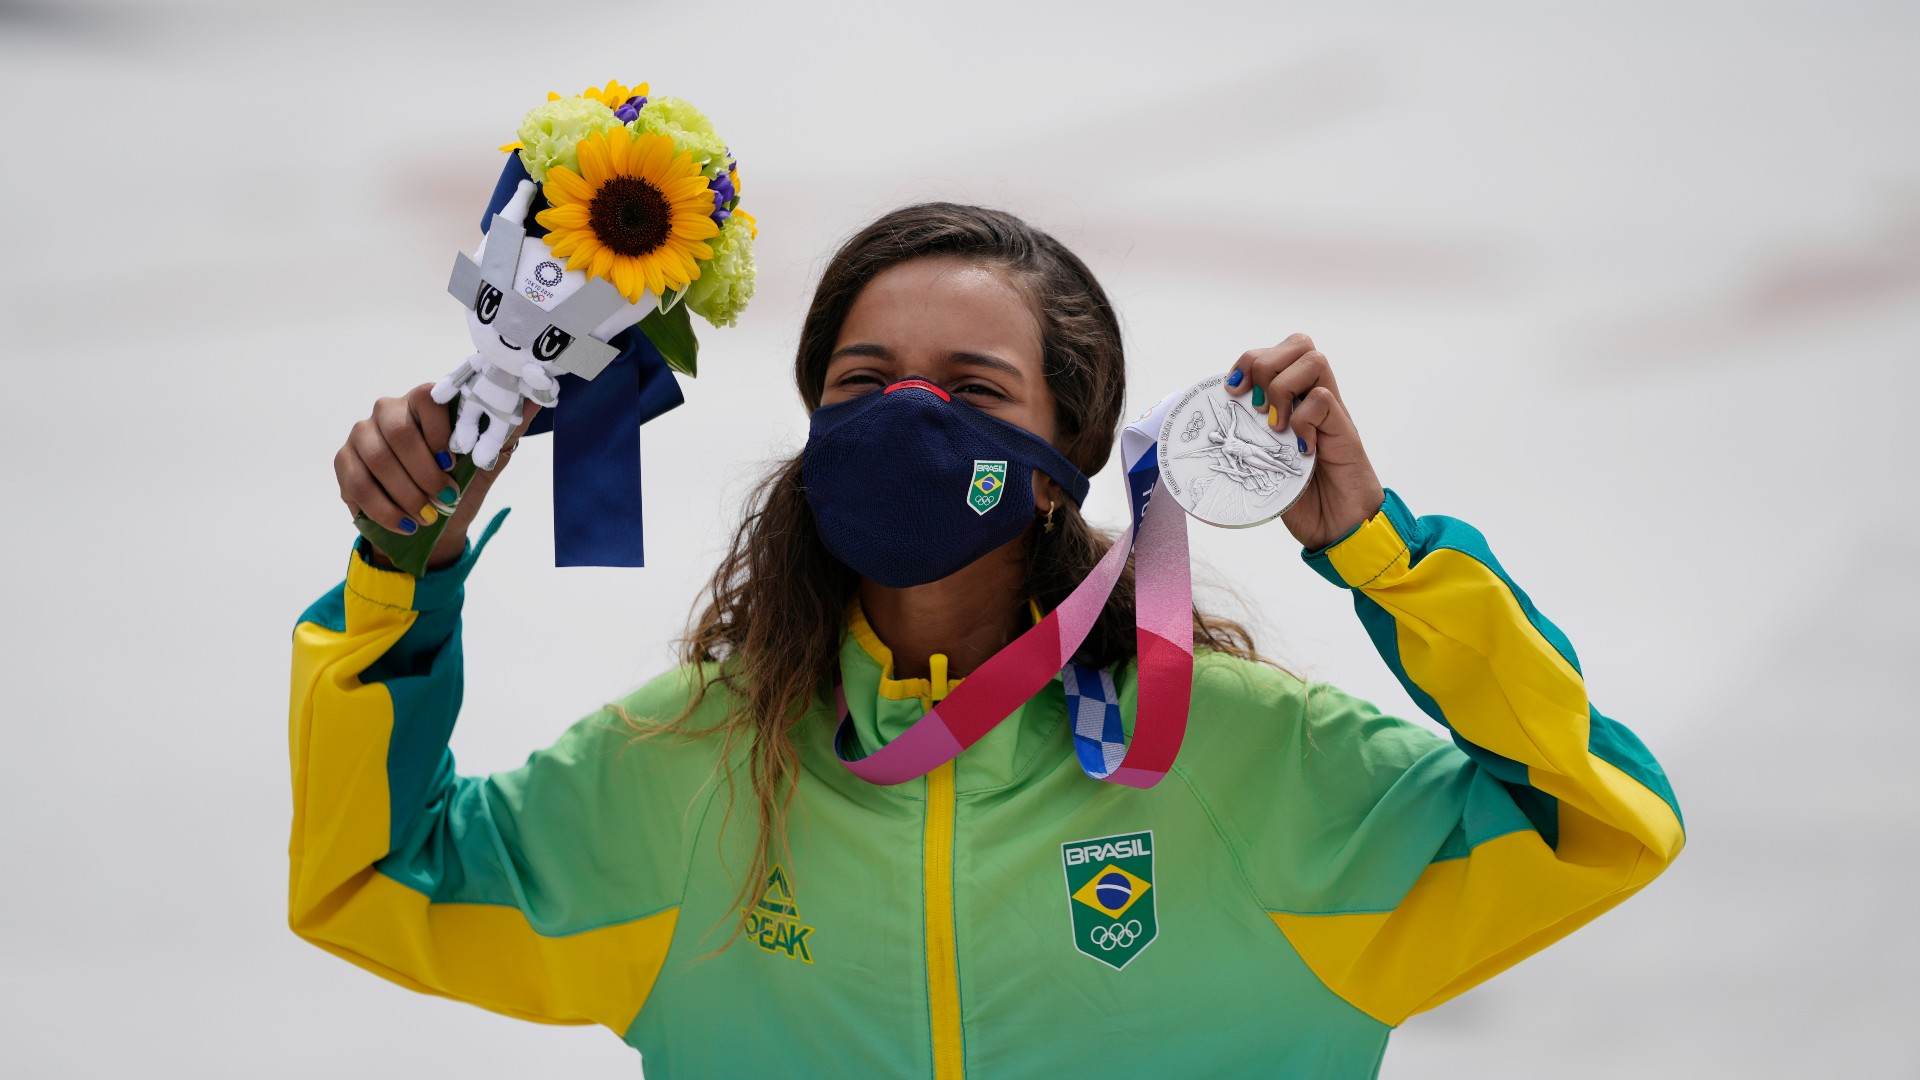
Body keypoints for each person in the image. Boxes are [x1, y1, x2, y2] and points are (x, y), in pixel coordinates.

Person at [288, 203, 1685, 1078]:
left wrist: (1377, 550)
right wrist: (402, 570)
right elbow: (372, 879)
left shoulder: (1254, 766)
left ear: (1071, 448)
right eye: (865, 382)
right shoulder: (693, 772)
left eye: (971, 388)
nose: (910, 414)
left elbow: (1597, 818)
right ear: (816, 426)